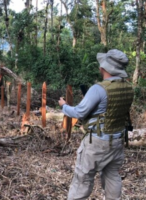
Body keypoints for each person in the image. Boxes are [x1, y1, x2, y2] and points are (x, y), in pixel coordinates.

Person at [58, 49, 134, 200]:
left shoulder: (98, 89)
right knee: (112, 175)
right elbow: (109, 110)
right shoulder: (128, 88)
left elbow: (79, 113)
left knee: (83, 178)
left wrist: (64, 106)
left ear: (104, 68)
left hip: (97, 142)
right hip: (118, 140)